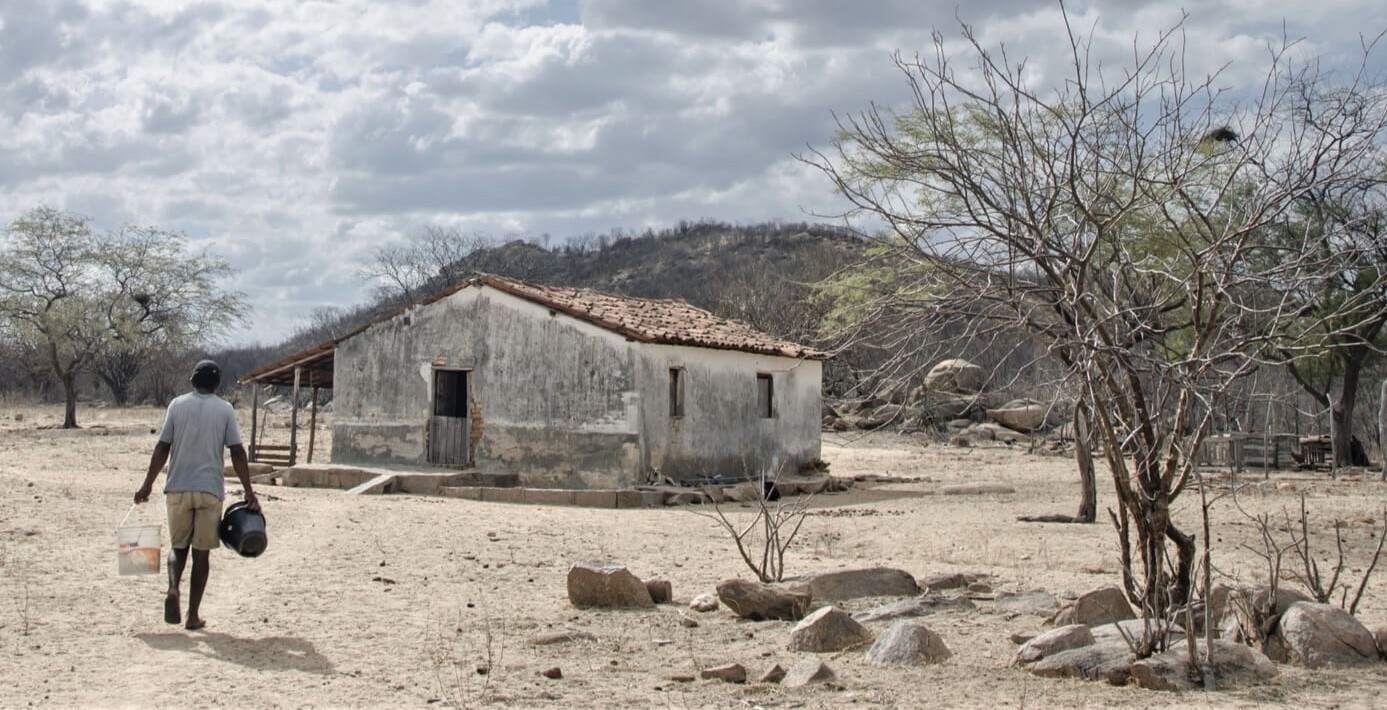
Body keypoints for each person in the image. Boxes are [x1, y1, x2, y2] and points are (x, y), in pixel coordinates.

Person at [135, 359, 260, 631]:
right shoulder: (225, 409)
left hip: (177, 488)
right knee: (201, 555)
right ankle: (192, 615)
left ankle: (172, 588)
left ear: (192, 381)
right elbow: (237, 452)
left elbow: (162, 448)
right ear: (216, 385)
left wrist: (147, 485)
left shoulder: (177, 406)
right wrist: (249, 491)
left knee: (177, 547)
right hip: (210, 491)